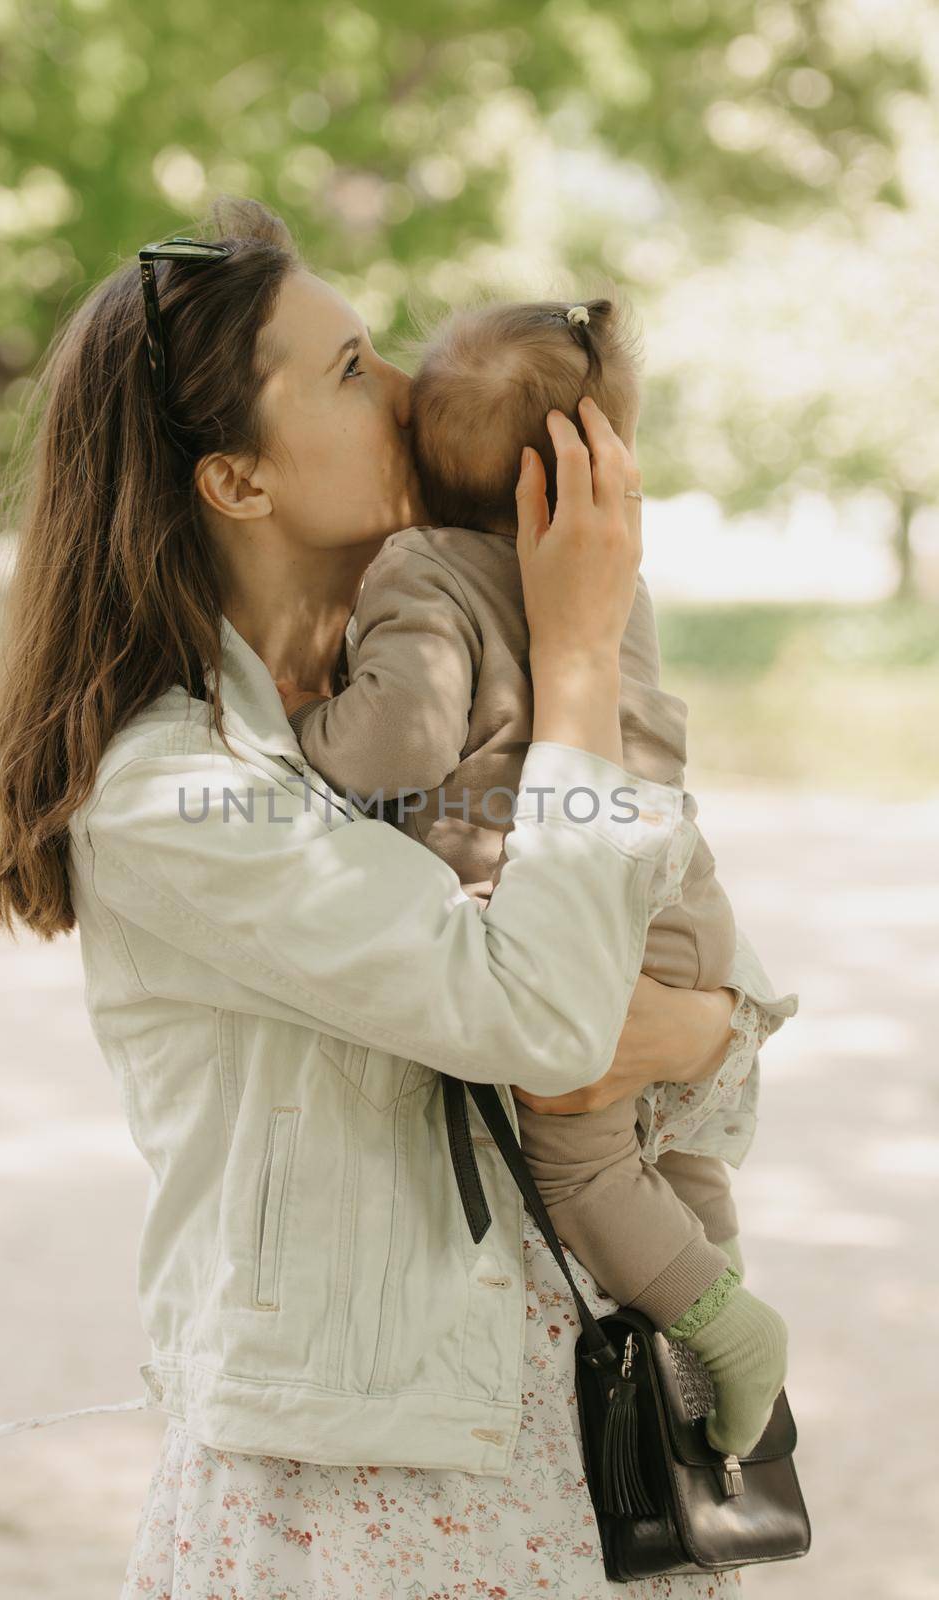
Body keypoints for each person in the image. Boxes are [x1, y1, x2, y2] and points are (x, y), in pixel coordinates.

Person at [0, 196, 796, 1597]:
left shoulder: (465, 686)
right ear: (238, 481)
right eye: (350, 369)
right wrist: (584, 659)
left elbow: (724, 1043)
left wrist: (702, 1032)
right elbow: (544, 1020)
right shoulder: (179, 791)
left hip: (597, 1463)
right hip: (362, 1514)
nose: (410, 387)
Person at [280, 294, 797, 1461]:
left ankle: (721, 1321)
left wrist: (302, 734)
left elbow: (405, 738)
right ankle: (712, 1305)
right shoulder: (612, 574)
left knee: (587, 1160)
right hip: (678, 892)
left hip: (573, 906)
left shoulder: (422, 569)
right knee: (671, 1151)